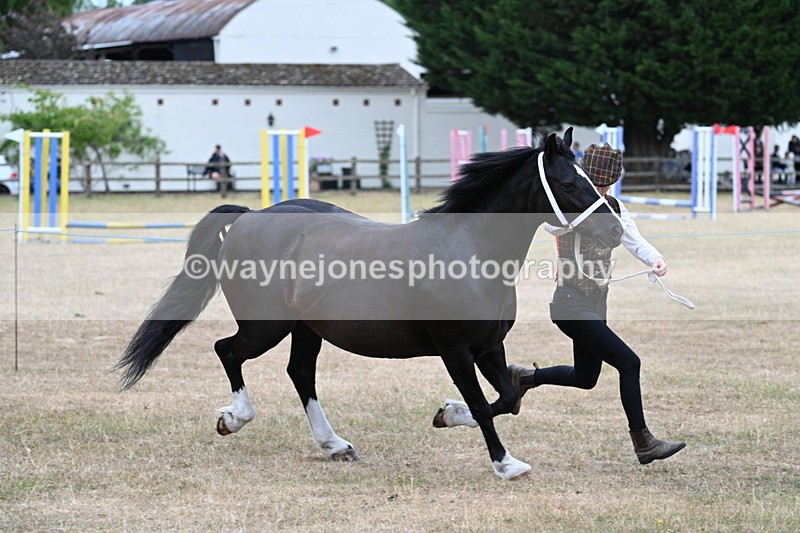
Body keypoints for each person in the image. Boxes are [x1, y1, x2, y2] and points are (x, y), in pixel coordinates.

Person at [435, 143, 686, 466]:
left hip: (597, 302)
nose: (600, 189)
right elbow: (550, 220)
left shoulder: (614, 208)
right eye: (596, 182)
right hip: (571, 305)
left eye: (606, 183)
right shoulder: (568, 209)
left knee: (586, 377)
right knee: (629, 363)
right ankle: (644, 441)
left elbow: (633, 238)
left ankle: (524, 378)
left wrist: (655, 259)